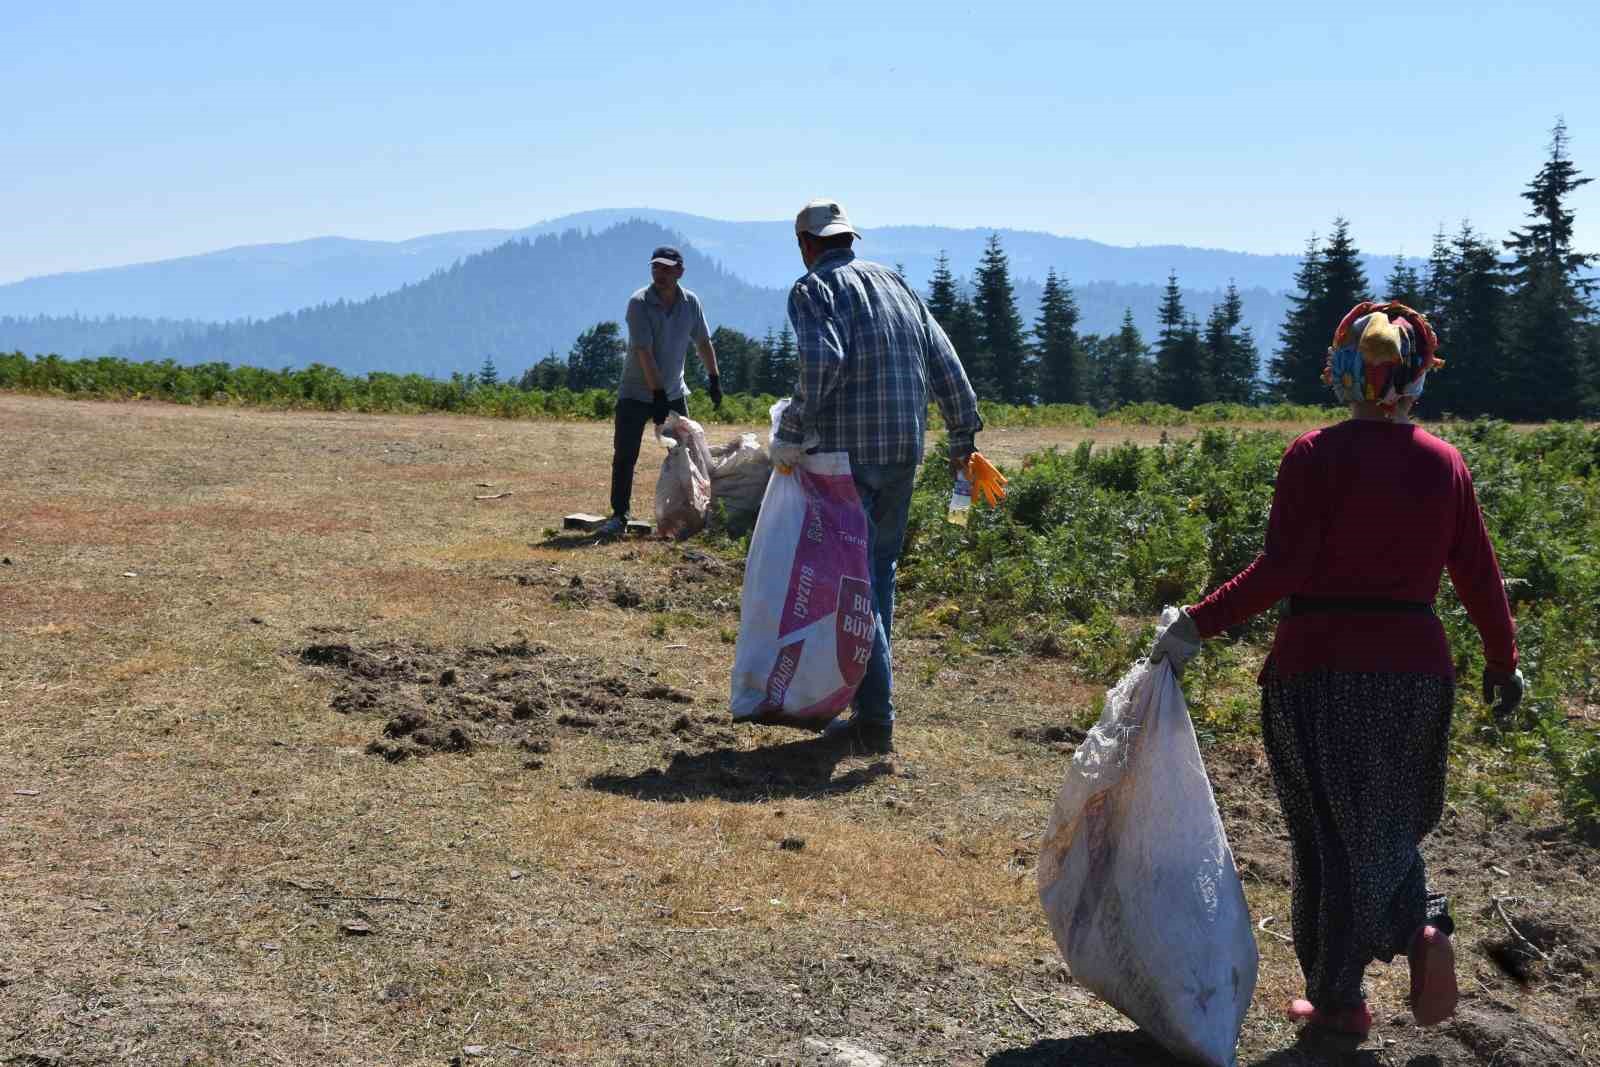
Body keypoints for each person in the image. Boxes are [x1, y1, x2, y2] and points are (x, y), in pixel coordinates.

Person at [1149, 301, 1524, 1037]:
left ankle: (1344, 994)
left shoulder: (1313, 455)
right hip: (1418, 672)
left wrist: (1196, 622)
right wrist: (1502, 659)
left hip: (1318, 667)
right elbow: (1479, 574)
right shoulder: (1445, 464)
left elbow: (1280, 569)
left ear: (1343, 373)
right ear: (1417, 377)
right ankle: (1413, 929)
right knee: (1386, 825)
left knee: (1326, 835)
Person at [767, 198, 983, 754]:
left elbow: (822, 363)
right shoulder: (896, 285)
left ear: (805, 244)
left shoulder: (813, 289)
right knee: (877, 574)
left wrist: (790, 432)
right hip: (903, 451)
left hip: (847, 458)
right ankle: (866, 710)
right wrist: (963, 435)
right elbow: (945, 361)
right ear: (848, 238)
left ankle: (877, 719)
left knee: (853, 584)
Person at [600, 245, 721, 540]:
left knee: (686, 455)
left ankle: (691, 513)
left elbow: (703, 342)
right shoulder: (639, 303)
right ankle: (619, 515)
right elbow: (644, 352)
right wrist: (657, 395)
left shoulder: (691, 303)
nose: (660, 273)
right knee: (625, 455)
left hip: (674, 391)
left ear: (680, 271)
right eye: (656, 267)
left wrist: (714, 378)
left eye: (667, 268)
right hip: (634, 392)